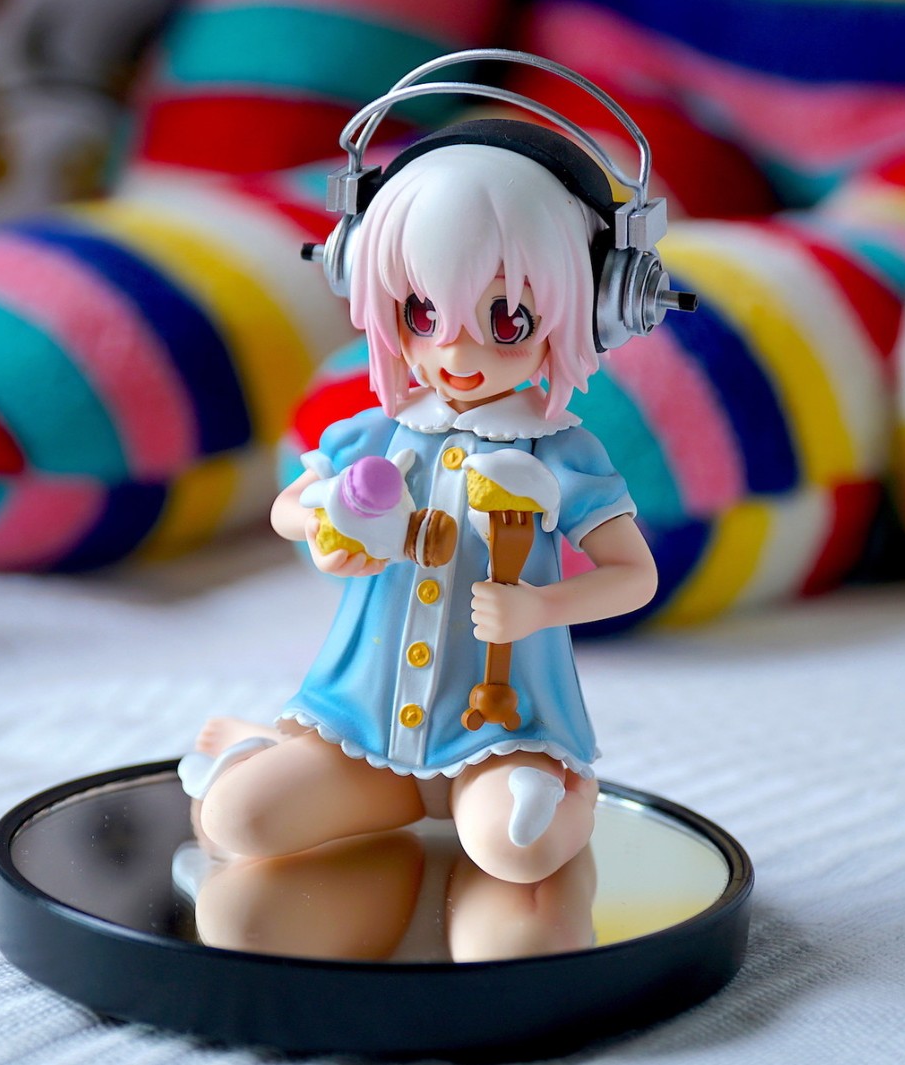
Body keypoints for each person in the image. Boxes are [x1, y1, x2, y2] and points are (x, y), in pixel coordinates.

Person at [183, 137, 657, 884]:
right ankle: (265, 749)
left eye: (506, 321)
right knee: (238, 822)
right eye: (423, 312)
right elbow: (287, 509)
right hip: (362, 721)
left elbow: (633, 576)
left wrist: (541, 607)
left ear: (596, 305)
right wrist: (322, 529)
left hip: (502, 728)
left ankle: (572, 790)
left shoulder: (560, 453)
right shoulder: (376, 432)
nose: (455, 353)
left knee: (516, 850)